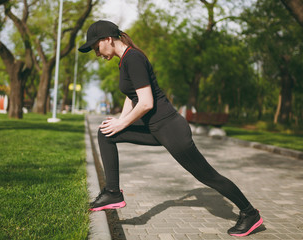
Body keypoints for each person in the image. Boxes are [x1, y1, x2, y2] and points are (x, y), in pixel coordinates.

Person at [79, 20, 263, 237]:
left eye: (96, 47)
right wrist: (118, 120)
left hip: (171, 129)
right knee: (106, 132)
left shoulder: (134, 58)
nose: (97, 53)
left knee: (207, 176)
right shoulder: (124, 61)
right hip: (154, 127)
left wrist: (122, 123)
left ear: (108, 39)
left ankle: (250, 213)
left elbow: (146, 102)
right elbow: (132, 97)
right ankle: (112, 192)